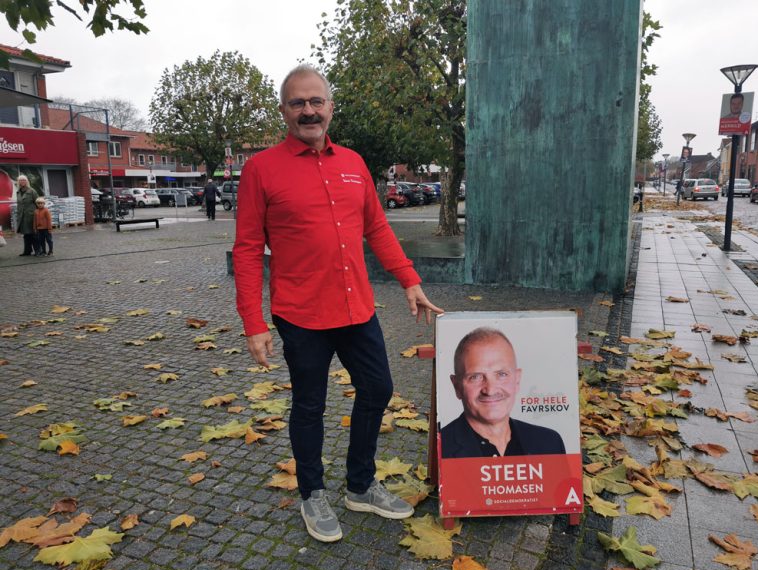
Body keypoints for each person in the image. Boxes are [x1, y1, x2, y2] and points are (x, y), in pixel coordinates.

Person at [232, 64, 443, 543]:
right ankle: (313, 492)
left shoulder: (354, 163)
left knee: (378, 388)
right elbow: (247, 249)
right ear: (284, 110)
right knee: (309, 405)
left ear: (330, 105)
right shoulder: (261, 168)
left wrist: (409, 280)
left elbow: (376, 228)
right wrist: (253, 322)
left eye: (316, 101)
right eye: (297, 102)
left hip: (357, 309)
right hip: (300, 314)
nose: (308, 110)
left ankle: (360, 485)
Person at [440, 327, 565, 459]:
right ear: (457, 386)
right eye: (475, 377)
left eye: (501, 374)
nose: (490, 390)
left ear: (517, 380)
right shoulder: (441, 448)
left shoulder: (550, 443)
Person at [15, 175, 43, 256]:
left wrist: (39, 214)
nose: (22, 182)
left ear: (27, 181)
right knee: (26, 235)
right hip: (22, 217)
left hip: (31, 217)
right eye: (20, 180)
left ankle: (38, 251)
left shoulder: (32, 191)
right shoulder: (18, 192)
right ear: (18, 182)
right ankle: (27, 251)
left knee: (34, 234)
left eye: (24, 180)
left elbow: (38, 202)